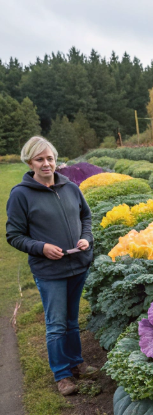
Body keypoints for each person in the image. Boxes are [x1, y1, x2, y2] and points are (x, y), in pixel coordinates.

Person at [6, 136, 97, 395]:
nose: (46, 163)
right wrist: (42, 248)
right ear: (30, 162)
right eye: (40, 159)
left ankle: (77, 363)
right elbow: (14, 235)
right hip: (50, 272)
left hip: (77, 265)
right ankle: (62, 375)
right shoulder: (21, 195)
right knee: (56, 323)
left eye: (50, 158)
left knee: (71, 320)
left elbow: (86, 216)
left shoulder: (71, 187)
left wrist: (86, 238)